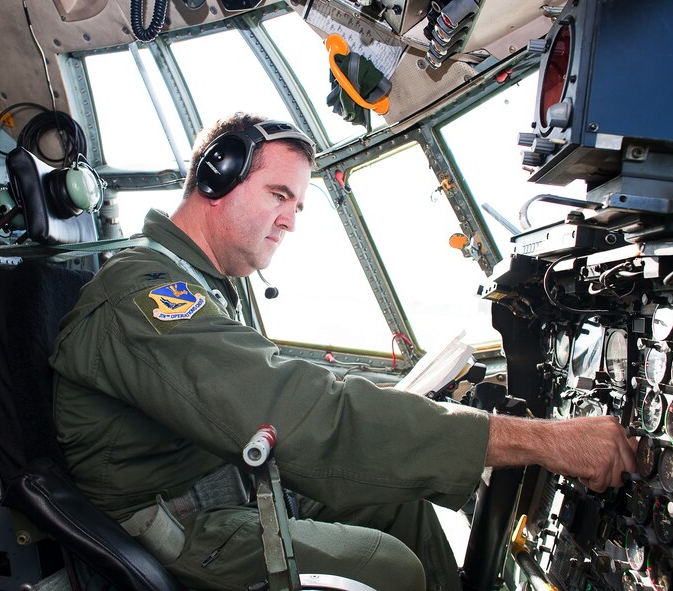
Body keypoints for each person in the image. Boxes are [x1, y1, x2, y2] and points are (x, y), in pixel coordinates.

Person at [50, 113, 637, 591]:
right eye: (279, 194)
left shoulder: (191, 281)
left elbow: (274, 393)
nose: (290, 221)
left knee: (398, 501)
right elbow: (297, 409)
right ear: (216, 179)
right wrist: (543, 441)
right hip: (177, 523)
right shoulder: (146, 297)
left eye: (299, 205)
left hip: (220, 481)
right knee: (387, 566)